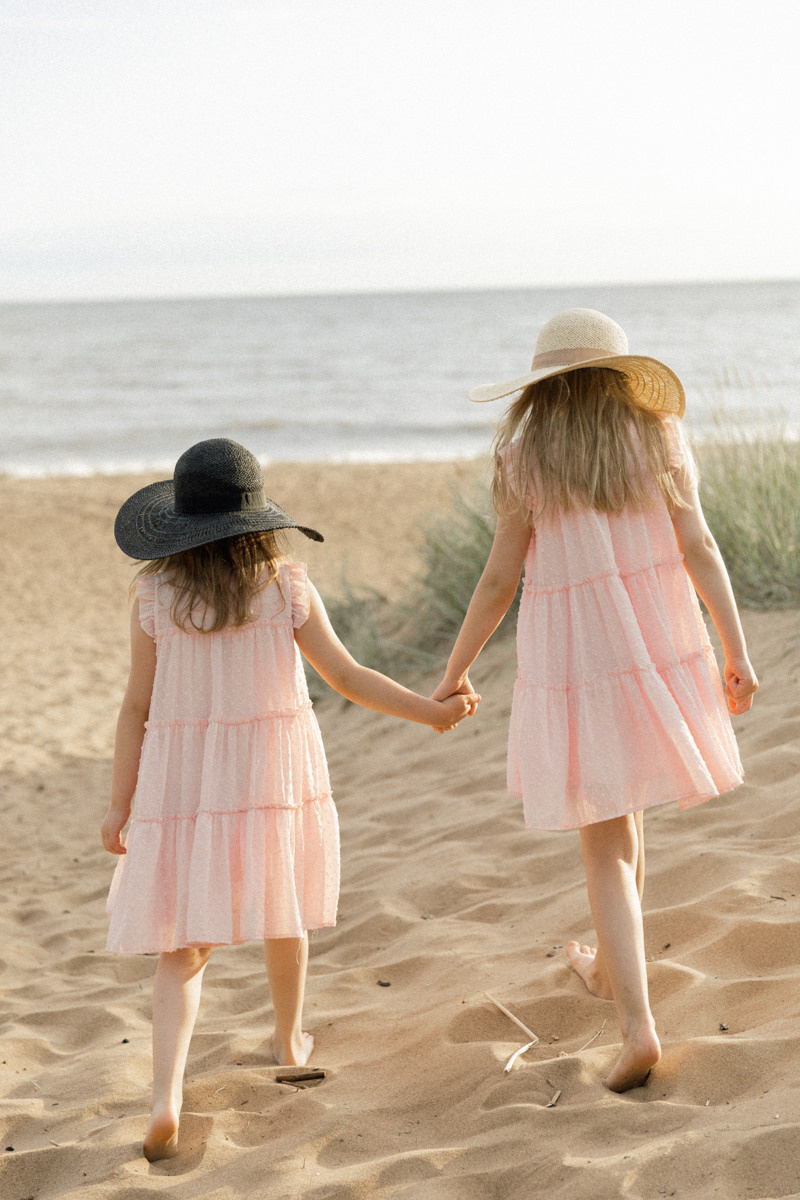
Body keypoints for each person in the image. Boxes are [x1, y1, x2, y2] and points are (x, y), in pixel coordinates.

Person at [101, 438, 479, 1161]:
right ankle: (287, 1037)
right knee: (284, 908)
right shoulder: (284, 588)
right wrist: (431, 713)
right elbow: (348, 677)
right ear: (257, 520)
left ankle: (165, 1096)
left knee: (182, 947)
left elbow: (136, 708)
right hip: (270, 777)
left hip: (185, 785)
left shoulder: (156, 597)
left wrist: (121, 804)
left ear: (180, 526)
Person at [432, 308, 757, 1092]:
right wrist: (736, 649)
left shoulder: (525, 456)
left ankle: (637, 1027)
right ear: (620, 377)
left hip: (577, 656)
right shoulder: (658, 437)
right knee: (628, 813)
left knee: (604, 838)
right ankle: (610, 969)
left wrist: (455, 668)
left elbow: (499, 579)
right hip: (656, 644)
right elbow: (699, 545)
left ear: (541, 387)